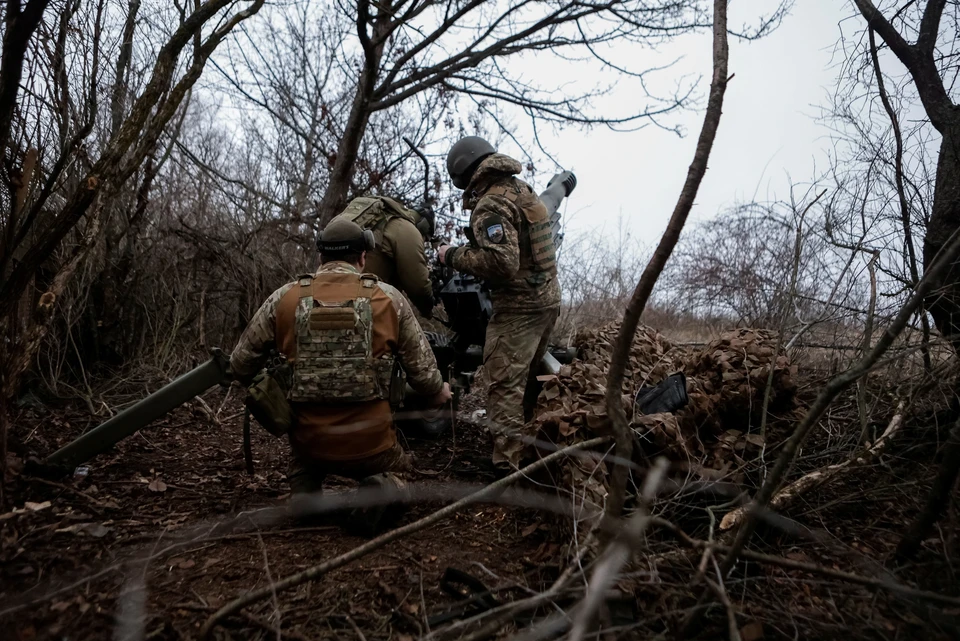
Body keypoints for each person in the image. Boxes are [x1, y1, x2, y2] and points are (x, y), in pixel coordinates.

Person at [230, 217, 451, 528]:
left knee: (303, 459)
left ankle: (305, 493)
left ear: (321, 257)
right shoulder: (389, 298)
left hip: (309, 443)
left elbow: (240, 365)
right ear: (362, 257)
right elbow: (425, 376)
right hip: (372, 446)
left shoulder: (285, 298)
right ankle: (384, 489)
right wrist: (440, 391)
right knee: (402, 471)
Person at [438, 136, 561, 469]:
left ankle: (509, 466)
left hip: (518, 309)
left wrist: (452, 255)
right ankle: (539, 447)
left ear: (463, 174)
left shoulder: (490, 204)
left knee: (503, 384)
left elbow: (502, 264)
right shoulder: (521, 190)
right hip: (546, 300)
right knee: (531, 378)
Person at [329, 196, 436, 318]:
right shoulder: (407, 229)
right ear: (423, 226)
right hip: (365, 303)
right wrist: (428, 308)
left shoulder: (380, 220)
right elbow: (418, 285)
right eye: (426, 239)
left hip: (327, 292)